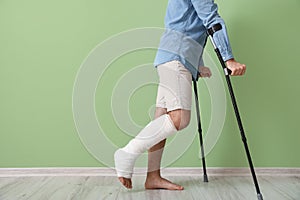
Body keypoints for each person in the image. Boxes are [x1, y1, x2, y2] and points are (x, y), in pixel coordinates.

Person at [114, 0, 246, 190]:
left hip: (171, 56)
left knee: (161, 120)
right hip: (177, 57)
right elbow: (211, 20)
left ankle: (153, 177)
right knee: (180, 118)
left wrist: (197, 65)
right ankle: (127, 153)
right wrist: (229, 59)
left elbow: (189, 25)